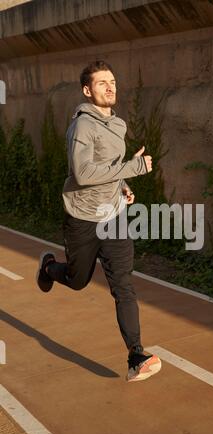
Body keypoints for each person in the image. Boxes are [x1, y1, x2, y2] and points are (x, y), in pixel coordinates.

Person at [36, 60, 161, 382]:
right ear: (87, 90)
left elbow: (109, 167)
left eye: (113, 81)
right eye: (102, 83)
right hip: (82, 217)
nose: (110, 87)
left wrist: (123, 186)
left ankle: (136, 355)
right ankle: (49, 267)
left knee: (124, 285)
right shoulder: (82, 127)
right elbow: (83, 173)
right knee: (78, 281)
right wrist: (133, 169)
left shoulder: (117, 125)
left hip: (114, 214)